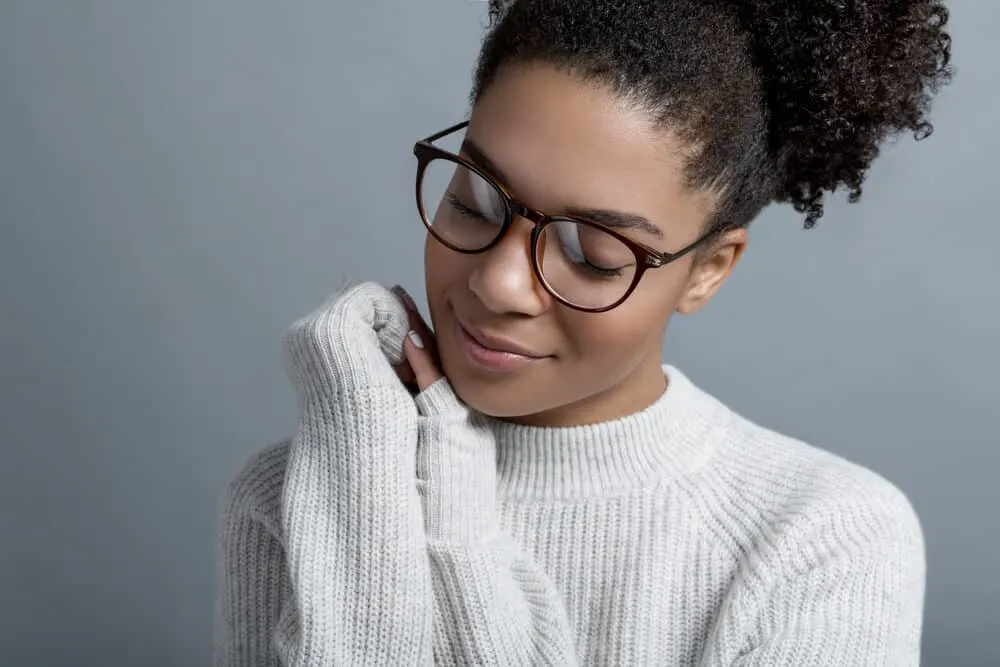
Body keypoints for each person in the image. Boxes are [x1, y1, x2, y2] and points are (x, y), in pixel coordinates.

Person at [214, 1, 952, 665]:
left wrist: (456, 525)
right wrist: (370, 473)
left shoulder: (822, 539)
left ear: (707, 270)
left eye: (591, 252)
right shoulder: (299, 496)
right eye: (474, 200)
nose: (499, 283)